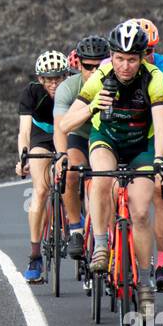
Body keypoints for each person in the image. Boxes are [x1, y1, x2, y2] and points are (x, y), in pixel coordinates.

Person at [57, 22, 163, 289]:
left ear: (142, 58)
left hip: (141, 146)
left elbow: (162, 124)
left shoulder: (154, 78)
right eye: (119, 58)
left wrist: (160, 159)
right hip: (106, 141)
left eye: (132, 59)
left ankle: (143, 282)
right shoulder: (102, 75)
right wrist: (93, 107)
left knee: (140, 212)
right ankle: (101, 245)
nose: (125, 66)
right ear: (112, 56)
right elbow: (65, 124)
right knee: (101, 180)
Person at [127, 18, 163, 291]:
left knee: (160, 189)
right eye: (142, 51)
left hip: (156, 132)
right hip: (125, 130)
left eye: (150, 50)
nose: (146, 56)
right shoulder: (117, 65)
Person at [53, 35, 109, 259]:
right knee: (70, 173)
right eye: (88, 66)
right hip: (79, 135)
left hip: (105, 137)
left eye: (100, 66)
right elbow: (60, 127)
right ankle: (76, 229)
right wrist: (60, 156)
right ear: (78, 65)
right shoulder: (68, 87)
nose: (94, 72)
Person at [16, 50, 69, 282]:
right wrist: (23, 158)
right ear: (40, 79)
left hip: (67, 134)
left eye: (58, 77)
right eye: (48, 78)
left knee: (76, 179)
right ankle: (35, 256)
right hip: (41, 137)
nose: (54, 83)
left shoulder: (74, 88)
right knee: (40, 190)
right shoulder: (31, 92)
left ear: (66, 76)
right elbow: (24, 131)